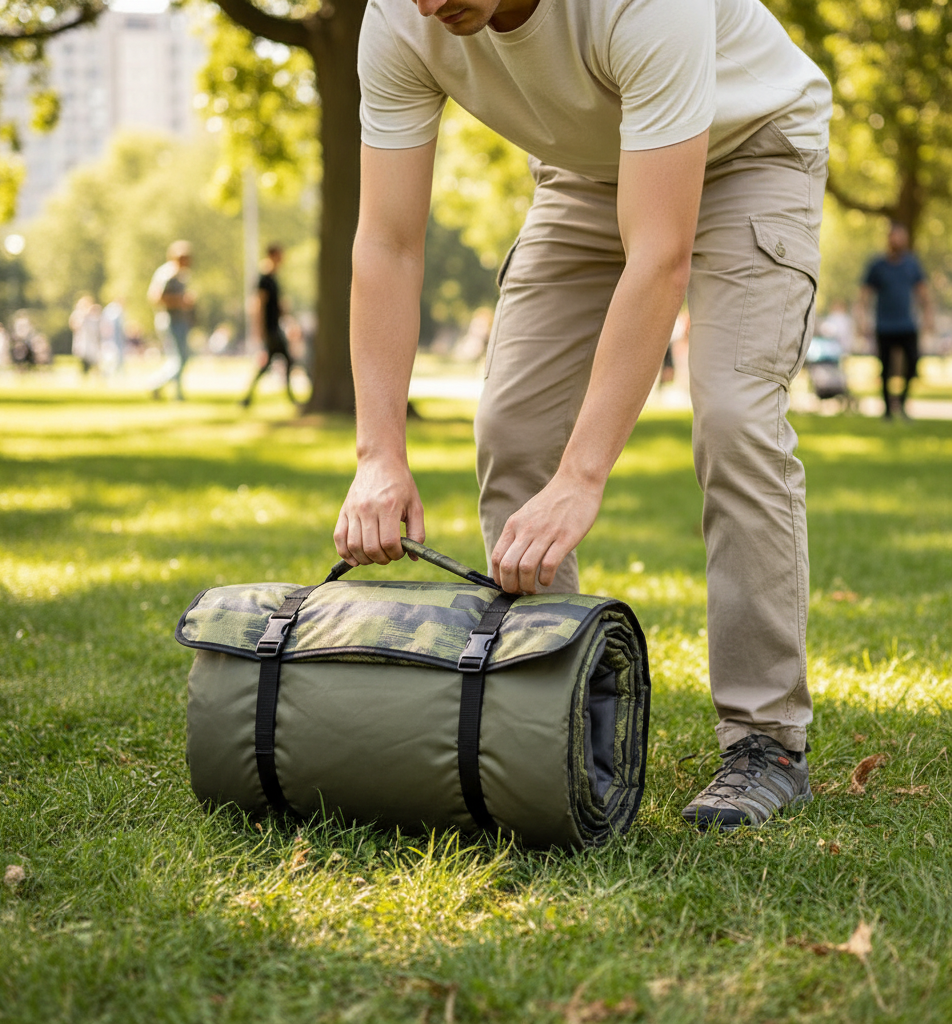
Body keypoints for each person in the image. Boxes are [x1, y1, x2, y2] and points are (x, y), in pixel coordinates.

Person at [334, 0, 833, 830]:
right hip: (587, 174)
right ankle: (560, 717)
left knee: (734, 418)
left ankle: (765, 741)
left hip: (753, 148)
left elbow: (659, 255)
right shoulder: (398, 18)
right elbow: (387, 241)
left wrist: (583, 476)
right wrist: (377, 453)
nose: (427, 3)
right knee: (512, 431)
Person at [857, 223, 934, 419]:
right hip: (884, 325)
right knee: (884, 368)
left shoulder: (912, 264)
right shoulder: (878, 265)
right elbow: (865, 295)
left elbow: (923, 293)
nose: (897, 240)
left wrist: (928, 317)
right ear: (889, 239)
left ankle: (901, 402)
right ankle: (888, 411)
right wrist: (862, 320)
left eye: (901, 237)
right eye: (894, 236)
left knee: (914, 363)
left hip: (907, 325)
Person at [242, 244, 295, 407]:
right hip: (270, 328)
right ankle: (289, 397)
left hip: (275, 326)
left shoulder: (273, 277)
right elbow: (258, 305)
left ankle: (248, 398)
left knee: (275, 362)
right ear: (272, 255)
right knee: (284, 360)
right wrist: (259, 329)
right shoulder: (264, 279)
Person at [147, 241, 195, 400]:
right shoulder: (167, 273)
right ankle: (155, 383)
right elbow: (155, 297)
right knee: (178, 359)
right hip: (170, 320)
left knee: (182, 358)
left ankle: (178, 394)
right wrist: (180, 301)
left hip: (181, 321)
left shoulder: (182, 275)